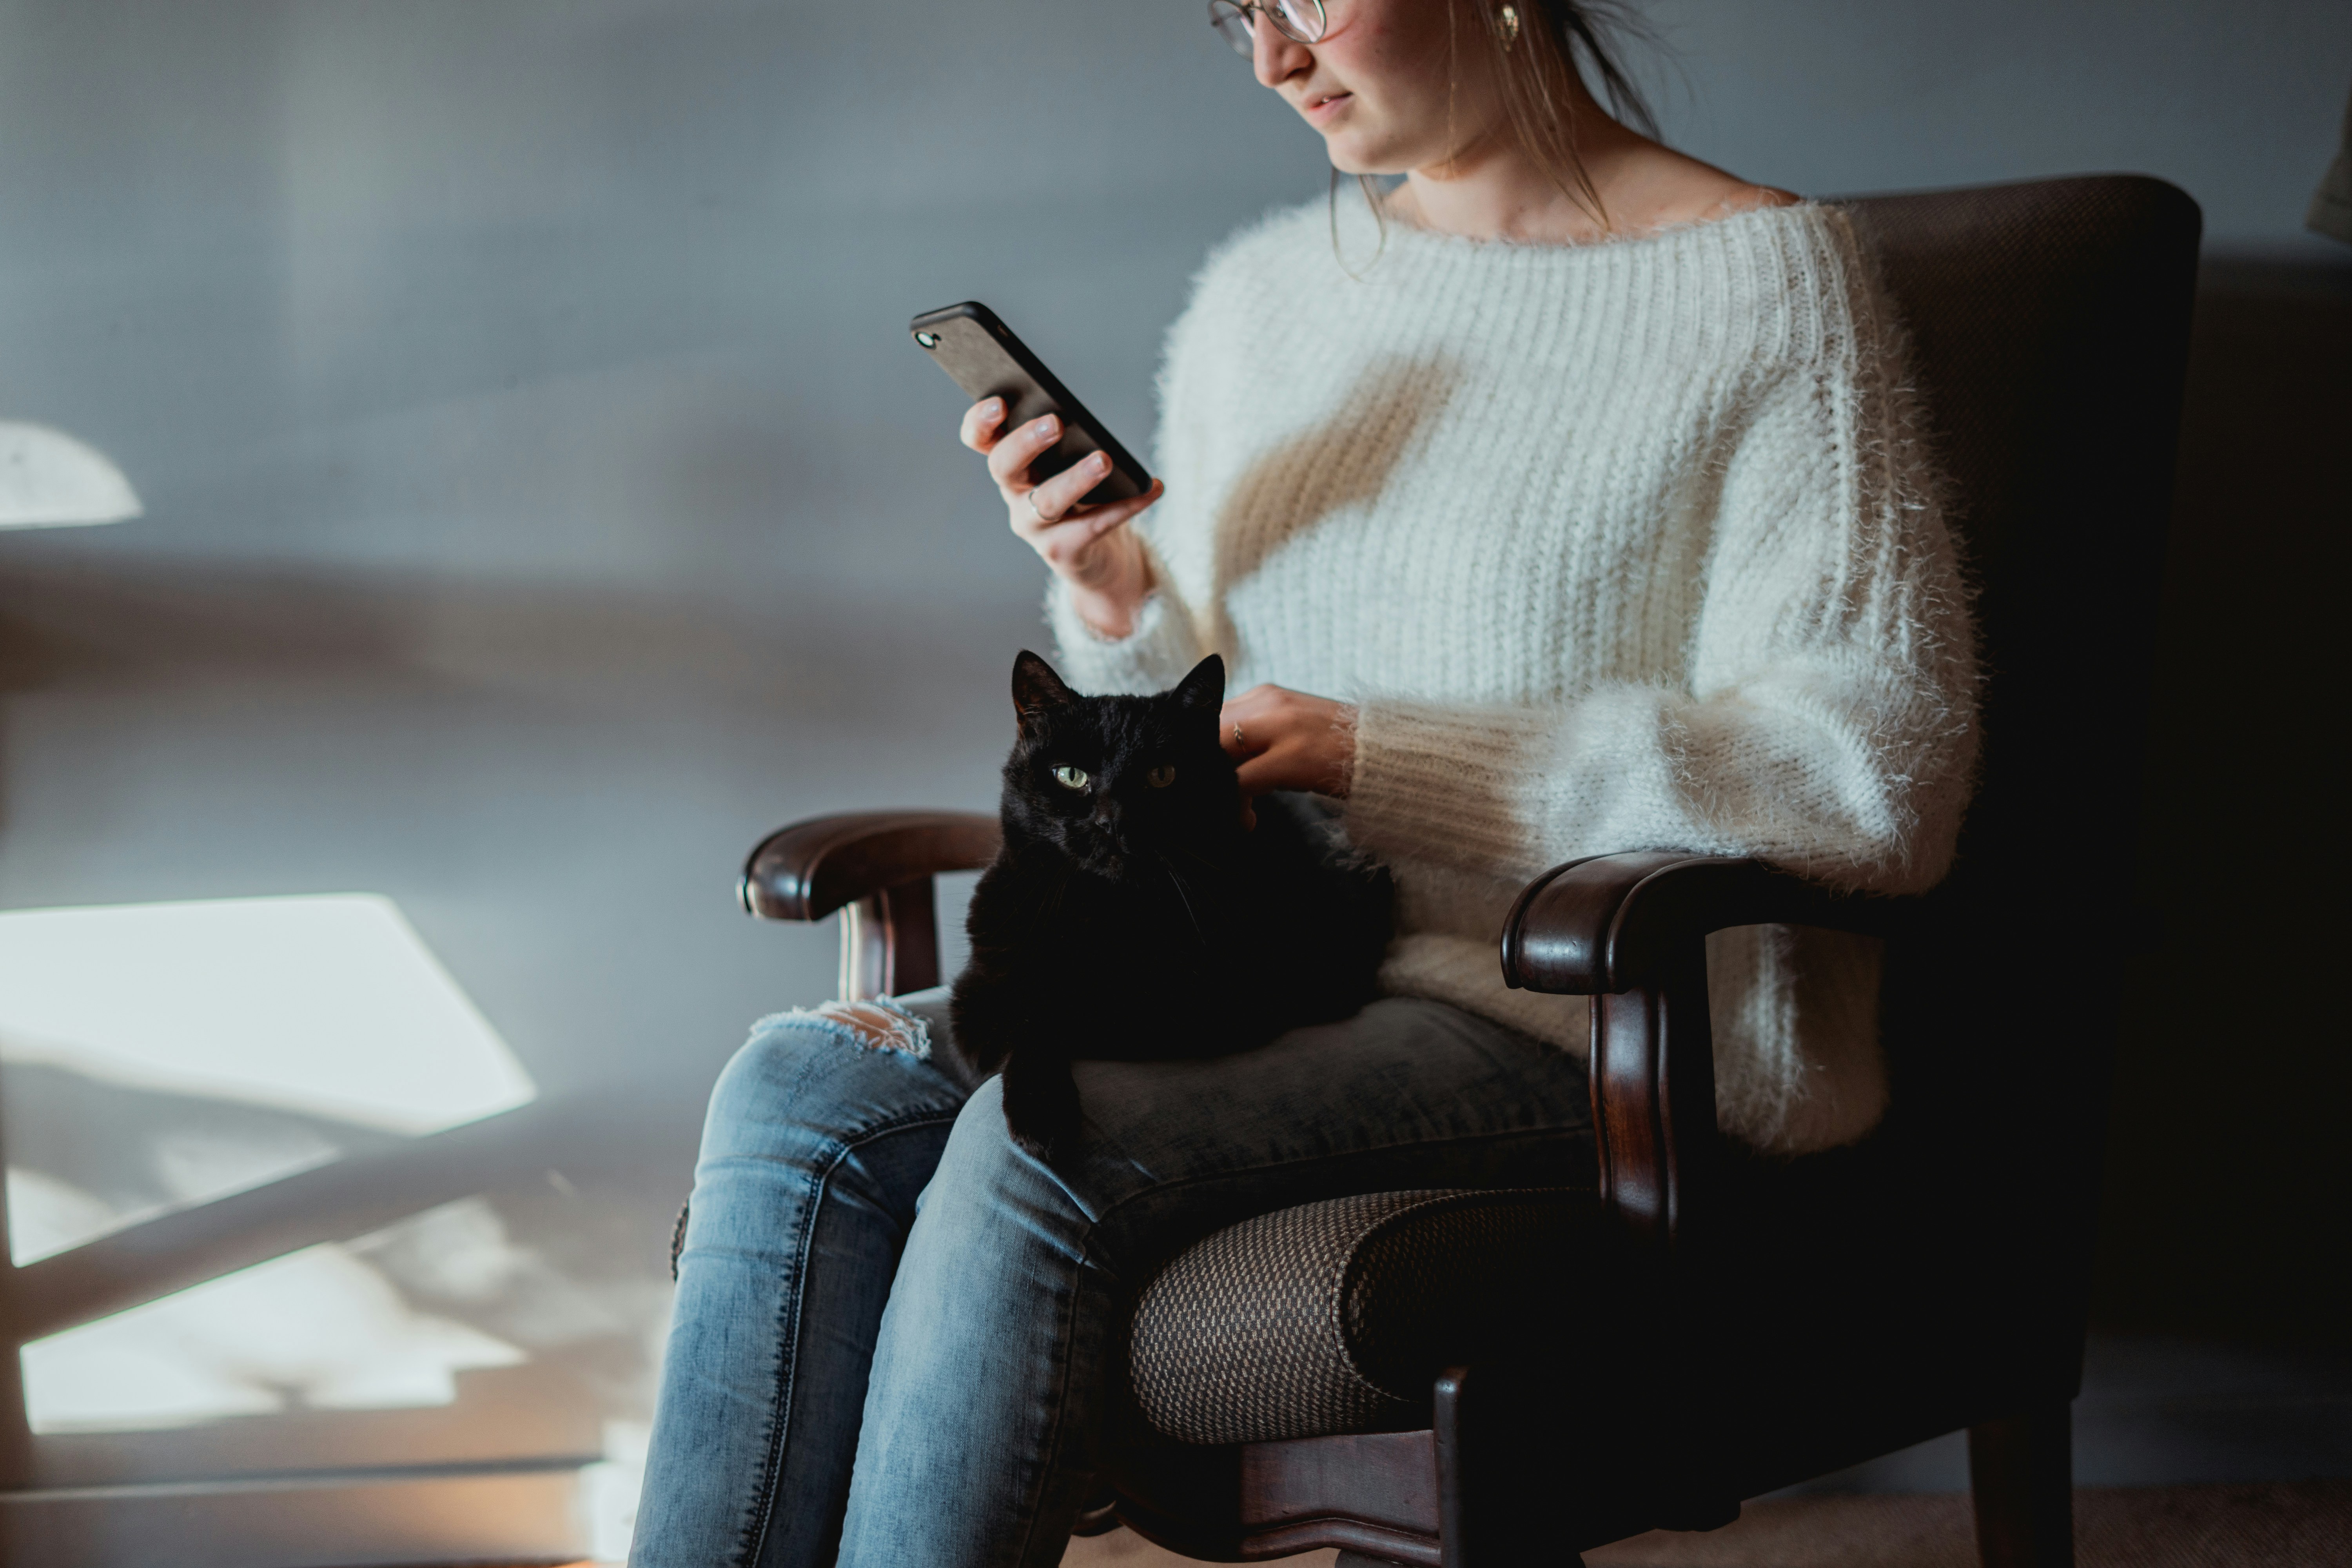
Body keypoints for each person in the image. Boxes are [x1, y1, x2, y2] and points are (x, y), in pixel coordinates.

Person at [630, 0, 1978, 1563]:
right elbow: (1188, 738)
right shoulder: (1265, 298)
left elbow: (1876, 774)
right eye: (1240, 13)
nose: (1276, 57)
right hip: (1273, 960)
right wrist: (1120, 596)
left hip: (1591, 1014)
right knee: (798, 1088)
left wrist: (1390, 759)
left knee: (1035, 1132)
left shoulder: (1770, 293)